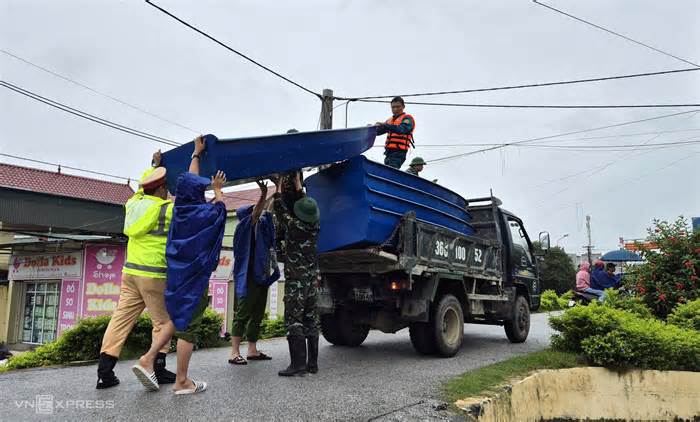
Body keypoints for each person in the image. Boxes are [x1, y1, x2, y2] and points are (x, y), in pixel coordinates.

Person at [133, 136, 227, 395]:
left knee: (177, 318)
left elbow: (189, 182)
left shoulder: (179, 209)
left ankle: (148, 358)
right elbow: (220, 208)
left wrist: (196, 155)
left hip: (175, 276)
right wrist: (218, 188)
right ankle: (182, 381)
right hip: (195, 279)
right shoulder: (206, 214)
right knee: (188, 327)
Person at [96, 150, 175, 389]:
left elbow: (144, 185)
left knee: (121, 319)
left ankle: (104, 372)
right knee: (162, 322)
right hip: (154, 274)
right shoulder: (166, 210)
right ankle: (157, 368)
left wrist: (154, 164)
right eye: (167, 188)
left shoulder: (132, 204)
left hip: (130, 273)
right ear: (161, 189)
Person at [273, 172, 321, 376]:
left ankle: (297, 364)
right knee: (311, 319)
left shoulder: (294, 227)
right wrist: (298, 186)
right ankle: (312, 364)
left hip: (297, 281)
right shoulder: (314, 226)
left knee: (294, 320)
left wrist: (276, 189)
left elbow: (279, 210)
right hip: (311, 279)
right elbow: (304, 206)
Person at [229, 180, 280, 365]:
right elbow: (258, 212)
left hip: (262, 277)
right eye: (253, 211)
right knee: (242, 314)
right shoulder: (243, 228)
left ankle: (252, 350)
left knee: (257, 314)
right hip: (248, 276)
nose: (257, 213)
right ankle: (234, 352)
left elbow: (269, 210)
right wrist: (263, 193)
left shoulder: (261, 228)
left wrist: (278, 187)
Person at [375, 96, 415, 169]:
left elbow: (402, 129)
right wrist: (373, 128)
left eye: (398, 107)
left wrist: (385, 125)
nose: (395, 109)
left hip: (399, 152)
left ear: (403, 106)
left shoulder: (407, 118)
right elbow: (379, 132)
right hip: (388, 152)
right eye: (393, 107)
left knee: (391, 170)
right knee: (387, 169)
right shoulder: (389, 120)